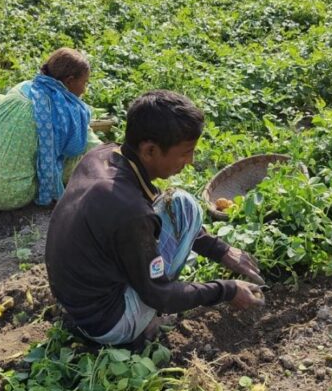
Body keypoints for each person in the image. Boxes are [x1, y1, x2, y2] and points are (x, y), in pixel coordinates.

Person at [45, 90, 266, 346]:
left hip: (74, 299)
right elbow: (159, 295)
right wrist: (226, 290)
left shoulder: (103, 156)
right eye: (185, 152)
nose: (190, 161)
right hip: (105, 323)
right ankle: (143, 326)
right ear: (149, 150)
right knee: (185, 207)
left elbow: (157, 205)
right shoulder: (131, 212)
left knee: (179, 203)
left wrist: (220, 250)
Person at [0, 48, 101, 211]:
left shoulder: (23, 87)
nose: (84, 89)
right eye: (85, 82)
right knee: (76, 154)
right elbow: (93, 146)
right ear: (69, 81)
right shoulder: (64, 109)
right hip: (8, 195)